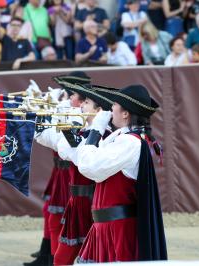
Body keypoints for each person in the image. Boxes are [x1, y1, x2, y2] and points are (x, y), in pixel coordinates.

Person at [73, 84, 167, 263]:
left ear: (125, 114)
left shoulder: (129, 143)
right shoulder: (119, 138)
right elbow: (83, 160)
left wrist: (96, 129)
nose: (111, 109)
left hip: (118, 230)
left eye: (114, 104)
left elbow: (90, 167)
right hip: (106, 226)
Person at [24, 72, 89, 266]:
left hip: (70, 174)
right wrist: (40, 106)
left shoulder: (78, 117)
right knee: (51, 215)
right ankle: (48, 255)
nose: (67, 99)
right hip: (62, 172)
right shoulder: (68, 110)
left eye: (71, 95)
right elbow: (48, 137)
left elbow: (57, 142)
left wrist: (46, 109)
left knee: (56, 219)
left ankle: (50, 258)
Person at [53, 82, 114, 266]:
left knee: (74, 256)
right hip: (77, 201)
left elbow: (84, 163)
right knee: (64, 257)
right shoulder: (83, 131)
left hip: (91, 202)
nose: (80, 105)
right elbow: (63, 151)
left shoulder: (105, 136)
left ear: (99, 111)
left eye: (86, 102)